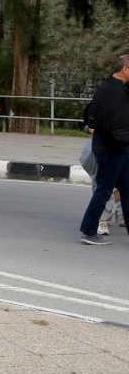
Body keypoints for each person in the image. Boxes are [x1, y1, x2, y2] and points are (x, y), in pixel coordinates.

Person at [79, 54, 129, 245]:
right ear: (125, 69)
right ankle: (89, 231)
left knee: (126, 190)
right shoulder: (112, 91)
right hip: (111, 150)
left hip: (121, 150)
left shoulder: (117, 88)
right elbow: (107, 122)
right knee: (103, 191)